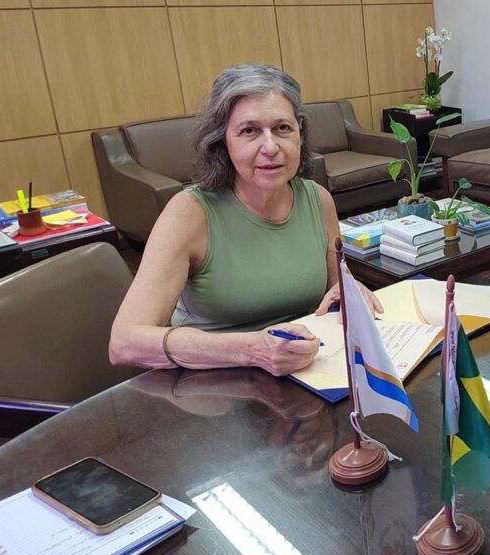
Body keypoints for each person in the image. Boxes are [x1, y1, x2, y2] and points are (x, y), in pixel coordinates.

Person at [110, 64, 380, 376]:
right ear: (222, 141)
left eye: (282, 128)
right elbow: (125, 343)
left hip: (307, 372)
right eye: (249, 131)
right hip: (214, 381)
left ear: (300, 134)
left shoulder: (318, 200)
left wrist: (349, 291)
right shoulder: (189, 213)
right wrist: (253, 350)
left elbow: (335, 286)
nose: (270, 147)